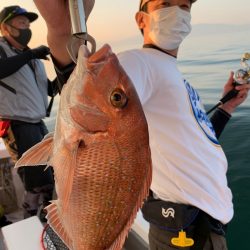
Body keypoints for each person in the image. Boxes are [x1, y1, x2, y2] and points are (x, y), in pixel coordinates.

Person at [33, 0, 250, 249]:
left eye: (184, 6)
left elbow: (197, 140)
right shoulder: (140, 63)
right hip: (187, 231)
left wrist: (226, 108)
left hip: (206, 225)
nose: (177, 12)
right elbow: (83, 84)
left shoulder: (170, 72)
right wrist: (62, 30)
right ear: (141, 20)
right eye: (165, 3)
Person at [0, 5, 57, 220]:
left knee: (48, 177)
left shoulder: (30, 57)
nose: (27, 27)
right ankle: (31, 222)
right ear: (5, 28)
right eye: (21, 22)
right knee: (36, 184)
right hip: (18, 125)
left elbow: (47, 89)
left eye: (28, 23)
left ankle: (44, 219)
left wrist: (65, 77)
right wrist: (31, 54)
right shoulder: (4, 50)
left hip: (37, 124)